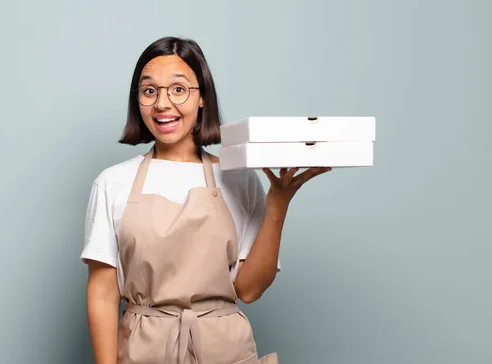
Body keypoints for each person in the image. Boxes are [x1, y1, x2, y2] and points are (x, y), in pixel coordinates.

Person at [80, 36, 331, 364]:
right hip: (144, 350)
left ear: (202, 98)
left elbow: (250, 289)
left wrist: (278, 204)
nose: (162, 104)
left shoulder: (237, 176)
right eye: (149, 90)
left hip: (224, 350)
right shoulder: (112, 183)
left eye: (179, 89)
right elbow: (103, 293)